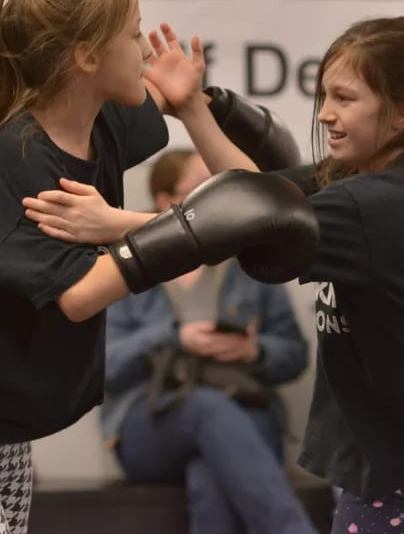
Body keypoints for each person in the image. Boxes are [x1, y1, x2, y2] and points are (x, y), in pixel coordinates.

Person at [25, 17, 404, 532]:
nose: (325, 114)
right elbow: (255, 197)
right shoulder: (353, 181)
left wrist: (115, 223)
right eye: (324, 96)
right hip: (386, 464)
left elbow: (250, 226)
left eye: (345, 98)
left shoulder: (376, 203)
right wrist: (192, 109)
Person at [0, 0, 318, 534]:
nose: (145, 51)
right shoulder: (25, 154)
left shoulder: (98, 122)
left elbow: (248, 198)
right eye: (135, 34)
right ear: (86, 56)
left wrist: (191, 107)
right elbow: (81, 295)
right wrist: (175, 227)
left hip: (4, 411)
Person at [100, 149, 315, 534]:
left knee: (209, 477)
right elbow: (101, 370)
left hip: (247, 411)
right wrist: (174, 338)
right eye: (202, 189)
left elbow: (295, 355)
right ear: (168, 202)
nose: (214, 199)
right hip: (150, 422)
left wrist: (254, 350)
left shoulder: (250, 263)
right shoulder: (128, 268)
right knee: (204, 406)